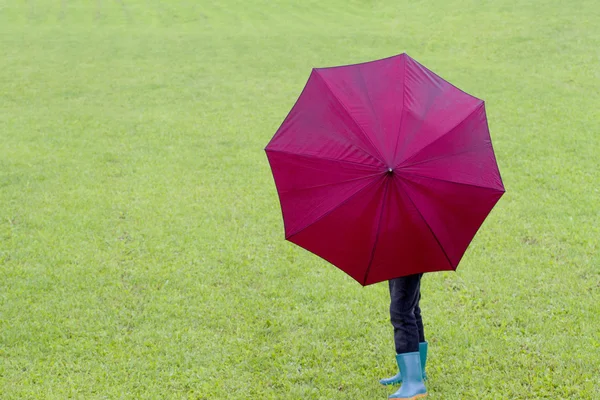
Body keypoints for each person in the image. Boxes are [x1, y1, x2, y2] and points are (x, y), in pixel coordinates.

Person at [379, 273, 428, 399]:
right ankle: (415, 371)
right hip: (396, 257)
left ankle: (413, 382)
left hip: (408, 256)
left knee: (401, 311)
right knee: (410, 306)